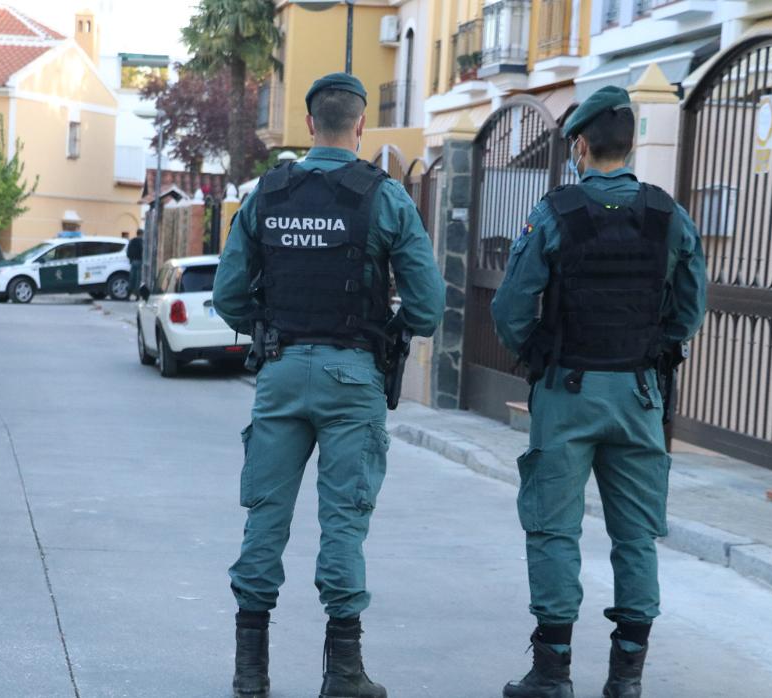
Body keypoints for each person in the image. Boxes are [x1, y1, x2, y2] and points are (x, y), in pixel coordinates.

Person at [213, 72, 444, 698]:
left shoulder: (268, 192)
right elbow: (428, 304)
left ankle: (250, 673)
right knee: (343, 522)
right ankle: (343, 674)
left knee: (266, 519)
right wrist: (387, 332)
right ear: (361, 126)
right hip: (353, 375)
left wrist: (266, 327)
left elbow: (228, 294)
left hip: (282, 373)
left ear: (310, 124)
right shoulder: (385, 196)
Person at [491, 85, 707, 698]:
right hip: (639, 394)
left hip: (568, 391)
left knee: (554, 530)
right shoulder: (669, 215)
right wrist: (656, 348)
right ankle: (627, 678)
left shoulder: (556, 212)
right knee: (635, 535)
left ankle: (552, 673)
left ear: (581, 144)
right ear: (631, 144)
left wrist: (534, 350)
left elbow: (510, 305)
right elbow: (691, 306)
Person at [126, 229, 145, 298]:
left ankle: (128, 294)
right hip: (140, 261)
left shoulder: (132, 241)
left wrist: (131, 259)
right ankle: (137, 295)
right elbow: (143, 251)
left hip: (133, 261)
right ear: (141, 234)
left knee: (132, 278)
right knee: (138, 279)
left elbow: (128, 252)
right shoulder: (142, 242)